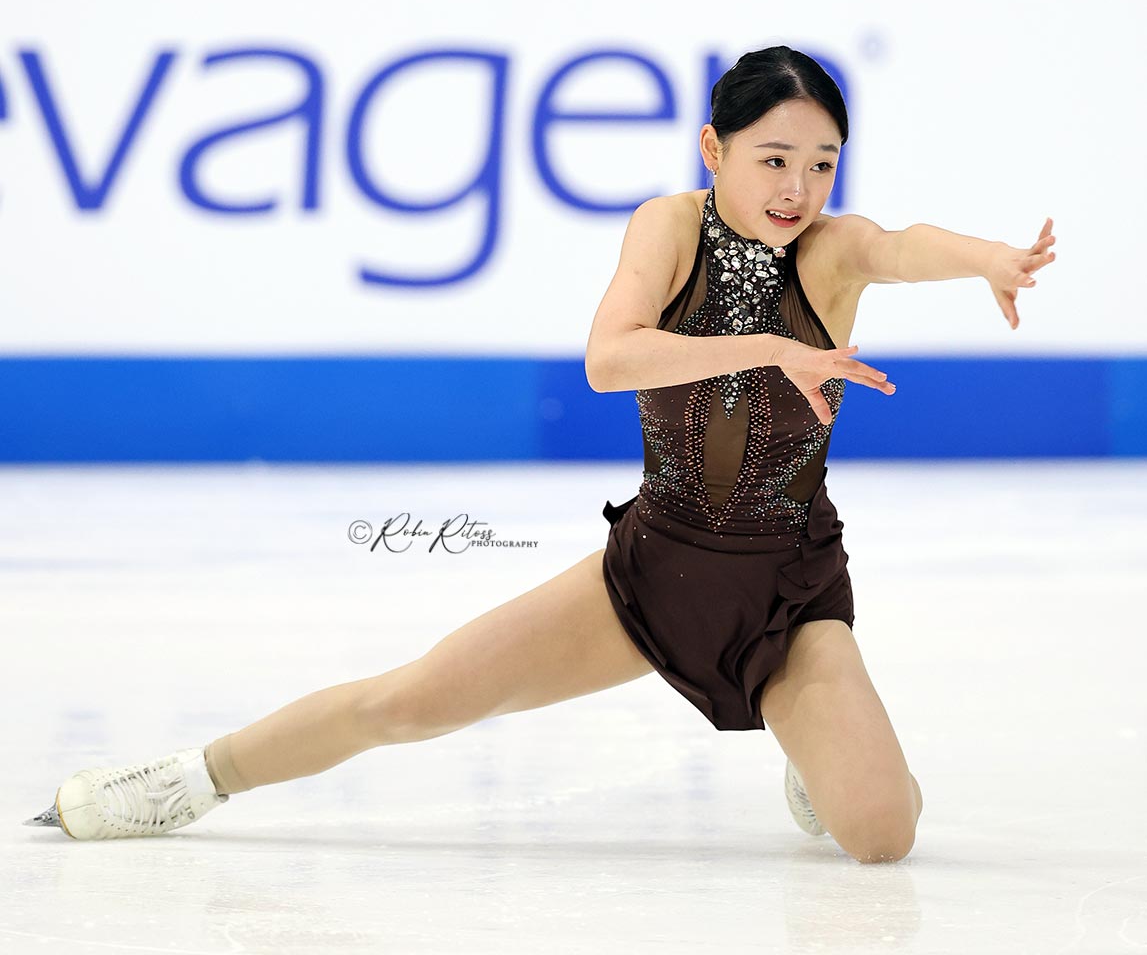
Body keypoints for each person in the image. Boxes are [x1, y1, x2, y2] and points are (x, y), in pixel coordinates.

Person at [24, 46, 1055, 864]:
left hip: (788, 593)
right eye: (772, 158)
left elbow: (901, 245)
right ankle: (190, 778)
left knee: (879, 835)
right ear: (713, 148)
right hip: (653, 573)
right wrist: (769, 348)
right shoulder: (667, 228)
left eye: (821, 162)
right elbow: (610, 357)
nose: (797, 187)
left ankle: (816, 751)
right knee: (408, 702)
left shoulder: (831, 250)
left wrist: (987, 261)